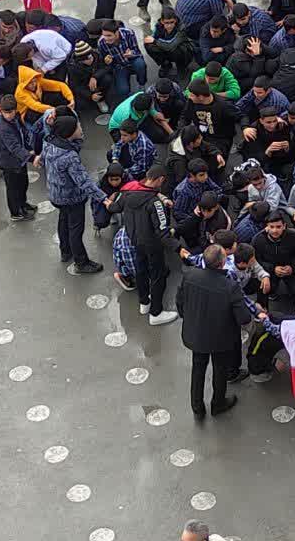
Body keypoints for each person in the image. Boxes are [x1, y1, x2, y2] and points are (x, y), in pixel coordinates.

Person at [176, 244, 252, 417]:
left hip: (196, 333)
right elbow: (244, 318)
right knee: (220, 370)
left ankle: (197, 407)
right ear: (222, 263)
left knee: (198, 369)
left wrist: (188, 318)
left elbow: (180, 301)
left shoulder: (189, 275)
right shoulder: (230, 286)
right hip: (221, 339)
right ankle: (218, 404)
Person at [40, 111, 107, 275]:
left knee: (63, 221)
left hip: (56, 194)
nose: (80, 128)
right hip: (72, 198)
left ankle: (65, 252)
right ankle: (81, 262)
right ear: (69, 132)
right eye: (77, 126)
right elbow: (83, 181)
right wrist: (103, 198)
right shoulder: (69, 156)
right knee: (76, 230)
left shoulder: (49, 142)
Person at [108, 167, 178, 324]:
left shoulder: (128, 192)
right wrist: (178, 248)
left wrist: (106, 203)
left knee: (141, 271)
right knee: (158, 275)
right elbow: (162, 230)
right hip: (153, 245)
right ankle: (156, 313)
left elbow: (115, 207)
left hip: (135, 241)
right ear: (160, 179)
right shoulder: (155, 203)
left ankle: (144, 303)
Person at [0, 94, 37, 221]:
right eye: (5, 113)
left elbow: (23, 133)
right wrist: (32, 158)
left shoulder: (16, 118)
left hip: (19, 161)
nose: (8, 115)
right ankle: (16, 212)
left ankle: (22, 204)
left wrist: (28, 147)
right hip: (10, 163)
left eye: (10, 112)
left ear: (15, 110)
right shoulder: (4, 128)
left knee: (23, 184)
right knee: (13, 189)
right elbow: (14, 147)